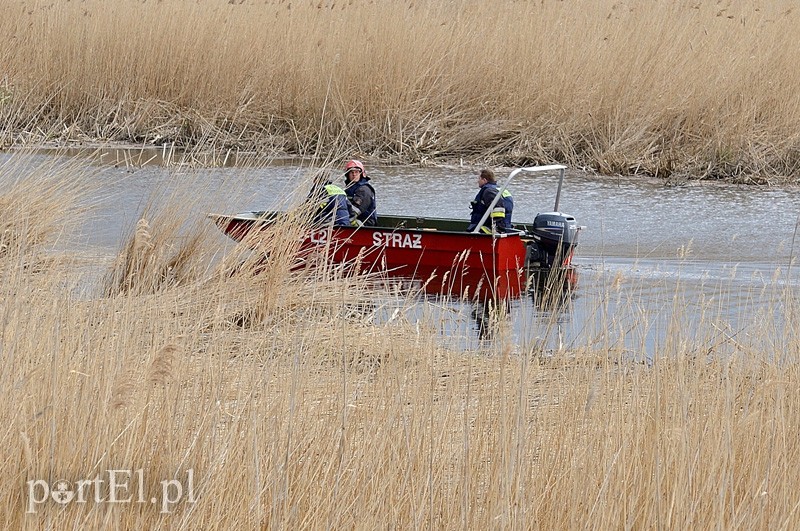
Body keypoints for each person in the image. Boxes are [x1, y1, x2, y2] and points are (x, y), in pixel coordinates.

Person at [466, 168, 513, 233]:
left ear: (484, 180)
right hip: (505, 228)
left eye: (479, 179)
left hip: (488, 231)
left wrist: (496, 229)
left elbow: (498, 209)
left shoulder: (488, 191)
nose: (477, 181)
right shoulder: (501, 190)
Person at [342, 159, 377, 226]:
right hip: (353, 219)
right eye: (351, 172)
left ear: (361, 174)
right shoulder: (348, 189)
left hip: (365, 224)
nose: (354, 174)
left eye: (356, 172)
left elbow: (355, 211)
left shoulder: (364, 190)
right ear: (347, 174)